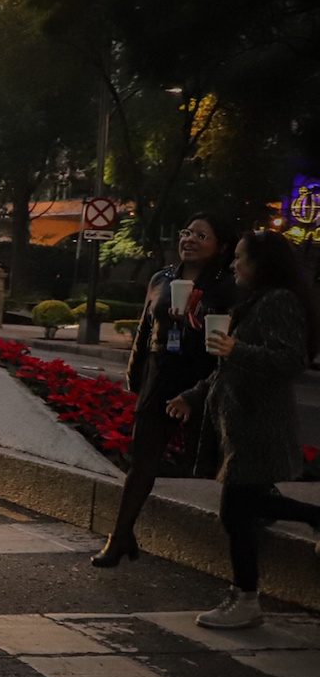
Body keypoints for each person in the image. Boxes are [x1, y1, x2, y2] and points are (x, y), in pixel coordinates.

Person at [165, 230, 319, 628]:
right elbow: (226, 371)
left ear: (261, 263)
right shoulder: (253, 302)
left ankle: (246, 599)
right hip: (239, 425)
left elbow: (291, 360)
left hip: (259, 425)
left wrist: (237, 348)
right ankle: (246, 596)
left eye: (240, 257)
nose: (234, 264)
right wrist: (193, 397)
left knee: (236, 511)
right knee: (242, 510)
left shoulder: (279, 302)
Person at [94, 213, 239, 566]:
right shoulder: (162, 278)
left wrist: (197, 317)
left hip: (202, 379)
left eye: (202, 235)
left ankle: (250, 527)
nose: (190, 239)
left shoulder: (228, 285)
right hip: (160, 376)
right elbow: (145, 329)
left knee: (214, 460)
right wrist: (135, 375)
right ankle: (120, 536)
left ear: (219, 246)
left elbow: (232, 338)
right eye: (186, 232)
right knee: (141, 461)